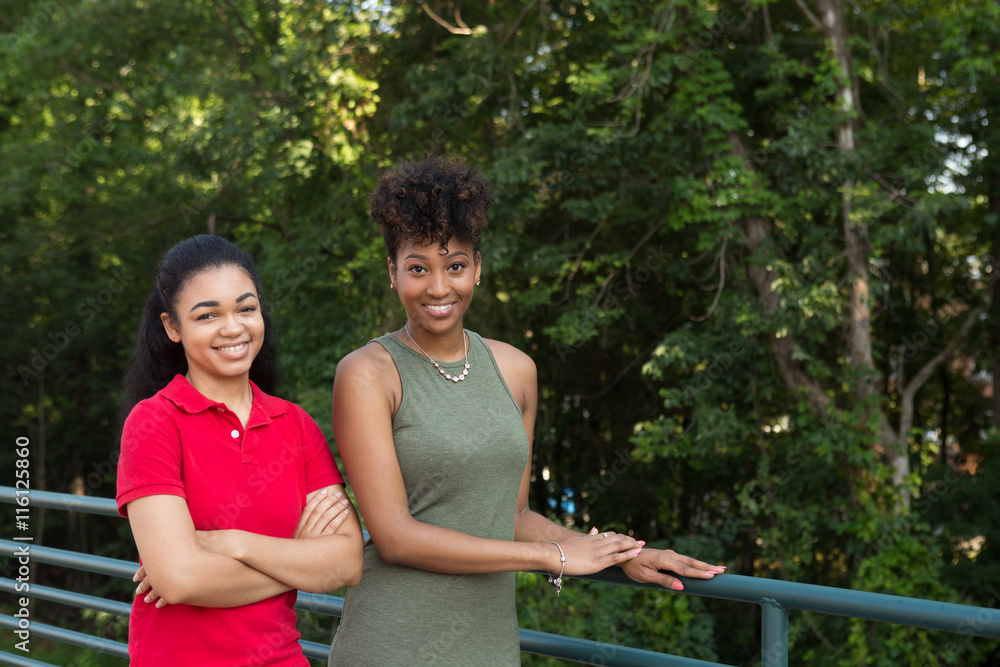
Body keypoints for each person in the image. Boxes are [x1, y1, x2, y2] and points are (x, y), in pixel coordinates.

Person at [328, 156, 725, 665]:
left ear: (478, 267)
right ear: (392, 272)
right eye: (417, 268)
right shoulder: (366, 373)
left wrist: (617, 553)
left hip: (488, 643)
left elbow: (512, 516)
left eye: (455, 266)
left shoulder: (515, 370)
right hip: (392, 641)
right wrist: (553, 558)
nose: (439, 287)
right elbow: (396, 537)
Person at [116, 234, 364, 666]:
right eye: (207, 315)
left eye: (245, 309)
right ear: (173, 327)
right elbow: (179, 579)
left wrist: (231, 542)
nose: (233, 328)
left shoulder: (296, 425)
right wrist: (296, 559)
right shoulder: (153, 422)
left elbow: (346, 564)